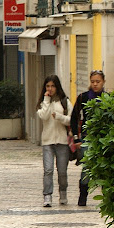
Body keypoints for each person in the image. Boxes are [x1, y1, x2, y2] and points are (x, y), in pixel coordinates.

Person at [70, 69, 106, 206]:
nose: (95, 84)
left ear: (103, 82)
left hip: (103, 138)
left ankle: (106, 195)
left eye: (98, 82)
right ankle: (83, 196)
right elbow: (74, 117)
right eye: (93, 82)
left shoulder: (107, 98)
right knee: (87, 166)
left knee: (103, 167)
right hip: (87, 137)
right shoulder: (83, 97)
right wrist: (76, 138)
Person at [36, 75, 72, 207]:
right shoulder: (43, 102)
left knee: (62, 171)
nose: (50, 89)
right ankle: (47, 196)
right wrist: (46, 99)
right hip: (47, 141)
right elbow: (43, 116)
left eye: (52, 86)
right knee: (48, 170)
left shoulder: (64, 102)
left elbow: (70, 120)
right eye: (47, 86)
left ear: (57, 87)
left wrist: (59, 117)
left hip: (62, 141)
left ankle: (63, 193)